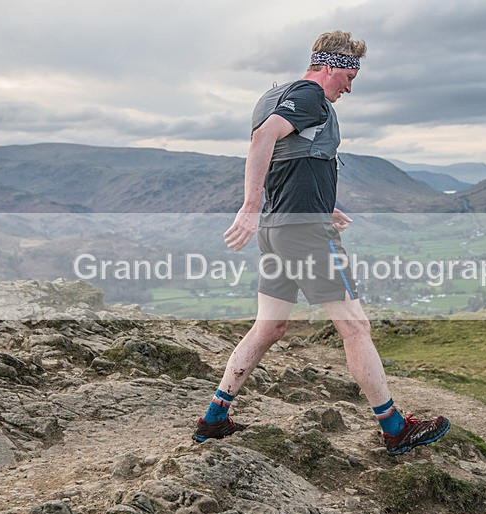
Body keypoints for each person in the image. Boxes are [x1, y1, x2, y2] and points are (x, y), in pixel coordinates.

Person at [192, 30, 450, 455]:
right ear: (330, 67)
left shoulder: (274, 97)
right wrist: (250, 205)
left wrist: (324, 205)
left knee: (269, 326)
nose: (349, 88)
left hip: (278, 230)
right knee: (355, 326)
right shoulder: (309, 96)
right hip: (304, 233)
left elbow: (289, 162)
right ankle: (394, 429)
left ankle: (214, 418)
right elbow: (263, 140)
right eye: (349, 77)